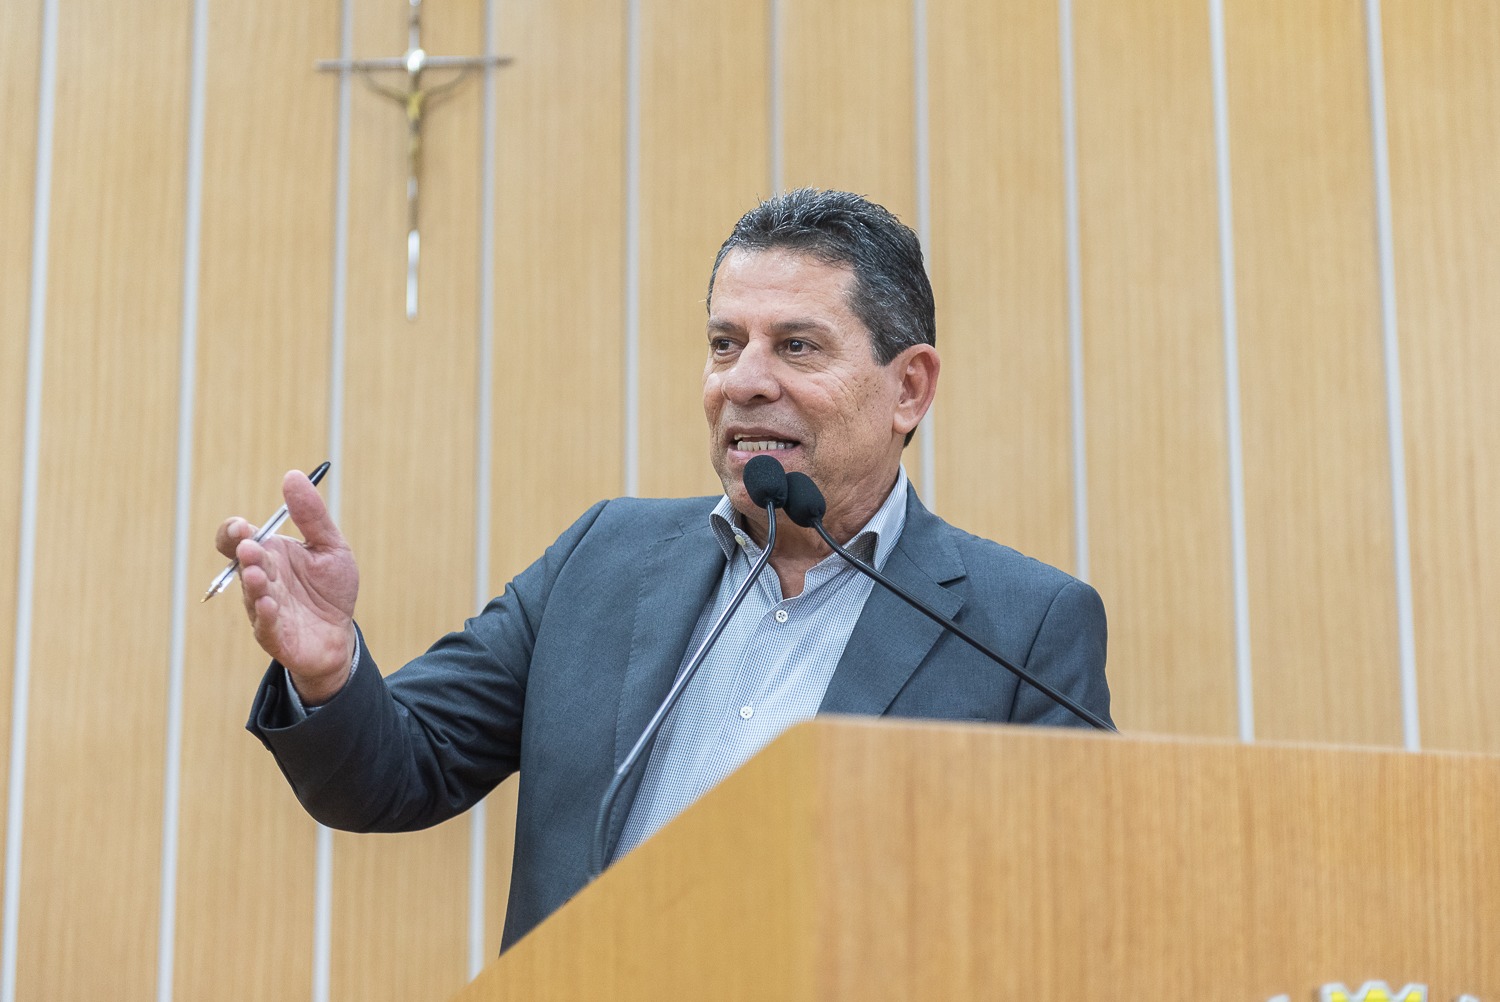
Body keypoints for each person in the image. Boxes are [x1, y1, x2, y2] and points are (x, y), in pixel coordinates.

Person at [220, 188, 1110, 952]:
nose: (743, 382)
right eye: (725, 343)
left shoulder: (1020, 630)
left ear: (908, 389)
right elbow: (396, 773)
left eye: (797, 346)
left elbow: (1074, 919)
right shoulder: (604, 558)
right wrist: (329, 672)